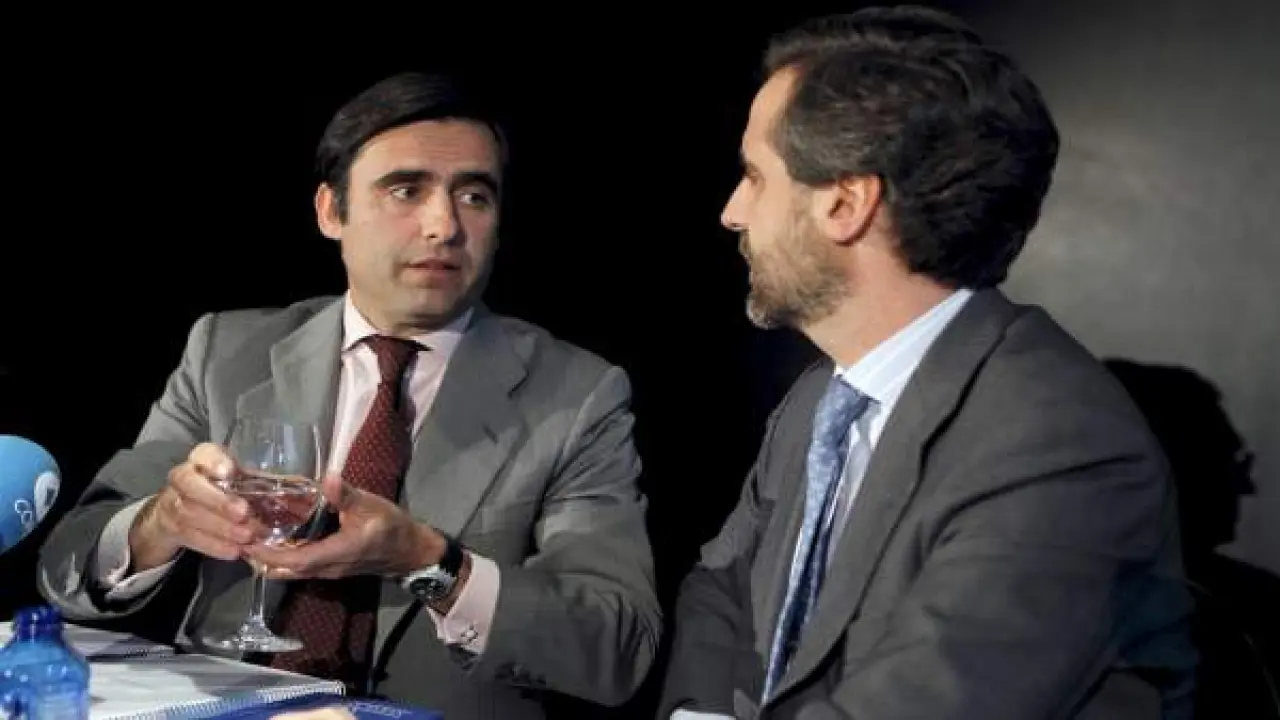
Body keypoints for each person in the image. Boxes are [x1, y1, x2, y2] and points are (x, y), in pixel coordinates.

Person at [36, 70, 660, 719]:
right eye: (406, 190)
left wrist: (428, 561)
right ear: (332, 212)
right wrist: (160, 523)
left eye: (474, 196)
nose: (444, 225)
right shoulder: (226, 353)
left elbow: (617, 647)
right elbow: (68, 570)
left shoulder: (576, 396)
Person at [658, 6, 1196, 720]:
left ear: (847, 204)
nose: (732, 211)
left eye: (755, 177)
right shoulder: (820, 399)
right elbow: (721, 588)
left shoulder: (1063, 444)